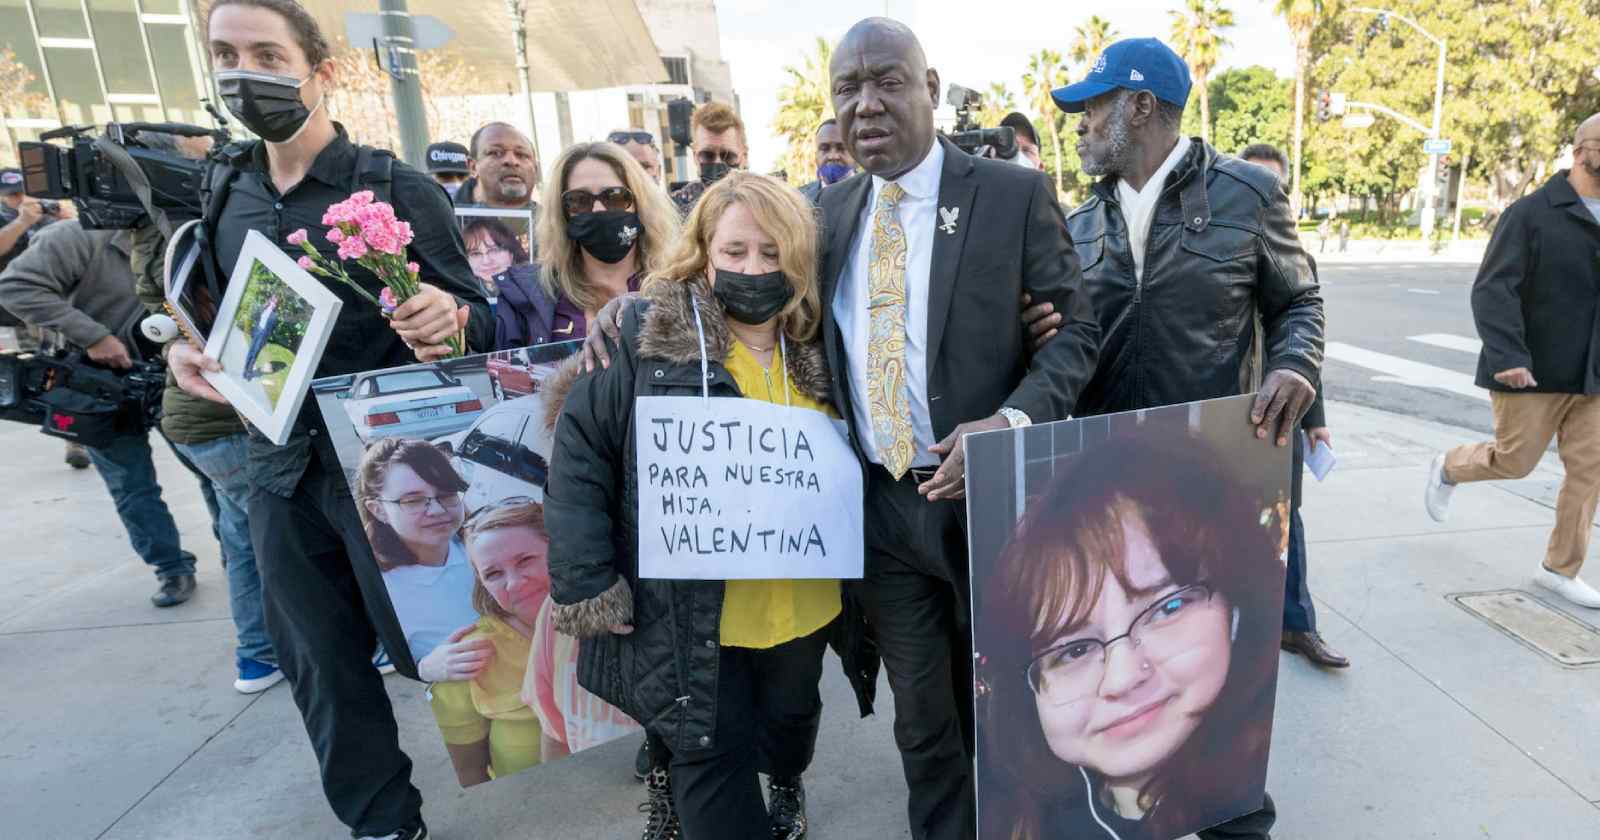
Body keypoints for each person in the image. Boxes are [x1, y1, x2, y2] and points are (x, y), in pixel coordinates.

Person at [166, 2, 493, 837]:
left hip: (385, 465)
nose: (246, 72)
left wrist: (447, 317)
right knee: (320, 662)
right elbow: (205, 308)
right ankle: (382, 820)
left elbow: (482, 320)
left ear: (322, 70)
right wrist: (183, 349)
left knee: (436, 646)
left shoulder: (394, 185)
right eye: (226, 54)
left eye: (267, 54)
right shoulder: (225, 185)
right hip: (275, 462)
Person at [818, 19, 1100, 840]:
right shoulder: (828, 214)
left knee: (1019, 709)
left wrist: (1009, 423)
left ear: (931, 88)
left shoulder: (1010, 194)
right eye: (847, 89)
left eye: (888, 82)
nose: (865, 106)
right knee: (924, 724)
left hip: (1000, 509)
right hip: (885, 517)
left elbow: (1075, 334)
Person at [546, 172, 877, 840]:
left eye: (771, 252)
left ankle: (786, 777)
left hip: (801, 602)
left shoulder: (826, 346)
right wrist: (587, 580)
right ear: (703, 252)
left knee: (790, 722)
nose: (753, 268)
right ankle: (673, 779)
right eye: (734, 251)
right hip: (692, 610)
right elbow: (580, 454)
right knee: (708, 749)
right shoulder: (644, 335)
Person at [1055, 37, 1327, 839]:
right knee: (1138, 660)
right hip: (1111, 482)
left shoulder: (1247, 195)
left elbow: (1300, 302)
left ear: (1140, 106)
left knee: (1224, 666)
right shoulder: (1077, 219)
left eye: (1092, 108)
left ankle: (1233, 814)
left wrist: (1295, 367)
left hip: (1219, 472)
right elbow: (1069, 340)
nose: (1079, 126)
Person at [976, 435, 1283, 840]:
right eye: (1075, 650)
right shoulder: (1018, 818)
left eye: (1167, 608)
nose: (1122, 679)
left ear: (1236, 608)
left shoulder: (1237, 803)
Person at [1425, 112, 1600, 610]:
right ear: (1581, 150)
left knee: (1589, 471)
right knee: (1515, 461)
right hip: (1532, 368)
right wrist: (1507, 355)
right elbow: (1493, 288)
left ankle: (1559, 569)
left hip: (1594, 374)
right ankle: (1450, 466)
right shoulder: (1530, 213)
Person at [0, 217, 201, 608]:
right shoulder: (74, 237)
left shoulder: (177, 230)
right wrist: (93, 336)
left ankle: (235, 553)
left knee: (210, 471)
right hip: (97, 385)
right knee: (131, 485)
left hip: (173, 375)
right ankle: (170, 566)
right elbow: (14, 287)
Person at [130, 208, 282, 693]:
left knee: (241, 538)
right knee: (277, 542)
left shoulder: (158, 242)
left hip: (193, 427)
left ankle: (257, 657)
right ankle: (352, 646)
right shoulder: (197, 237)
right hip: (223, 422)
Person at [1238, 142, 1347, 669]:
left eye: (1275, 186)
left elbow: (1305, 346)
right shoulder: (1209, 245)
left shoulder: (1298, 257)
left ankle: (1297, 625)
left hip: (1282, 413)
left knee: (1287, 520)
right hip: (1229, 410)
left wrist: (1317, 421)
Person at [495, 141, 679, 351]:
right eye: (579, 200)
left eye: (615, 197)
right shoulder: (524, 294)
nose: (599, 209)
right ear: (563, 213)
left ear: (640, 203)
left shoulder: (681, 286)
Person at [429, 498, 553, 787]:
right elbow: (470, 776)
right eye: (493, 574)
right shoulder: (465, 658)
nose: (514, 583)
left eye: (525, 560)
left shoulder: (610, 621)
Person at [355, 439, 481, 667]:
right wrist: (424, 669)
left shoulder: (486, 549)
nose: (436, 510)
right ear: (378, 510)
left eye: (446, 494)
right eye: (413, 500)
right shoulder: (374, 587)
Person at [0, 168, 86, 469]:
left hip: (56, 306)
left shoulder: (45, 211)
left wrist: (64, 219)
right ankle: (64, 426)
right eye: (11, 195)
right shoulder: (8, 217)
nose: (19, 198)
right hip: (17, 309)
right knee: (37, 376)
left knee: (64, 367)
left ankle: (74, 438)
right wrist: (23, 221)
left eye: (22, 191)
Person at [670, 101, 748, 214]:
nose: (717, 163)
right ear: (695, 157)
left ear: (744, 156)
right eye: (707, 155)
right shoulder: (674, 211)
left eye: (728, 156)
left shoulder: (764, 206)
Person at [456, 122, 541, 215]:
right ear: (472, 167)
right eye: (496, 153)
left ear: (535, 169)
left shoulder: (555, 224)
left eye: (521, 154)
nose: (511, 161)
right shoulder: (446, 221)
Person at [462, 216, 530, 304]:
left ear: (511, 252)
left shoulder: (532, 287)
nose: (486, 261)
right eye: (476, 254)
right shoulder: (461, 293)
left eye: (494, 250)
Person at [798, 118, 854, 204]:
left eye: (842, 148)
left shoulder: (872, 191)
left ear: (855, 154)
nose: (833, 156)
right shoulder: (799, 198)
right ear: (816, 156)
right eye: (825, 149)